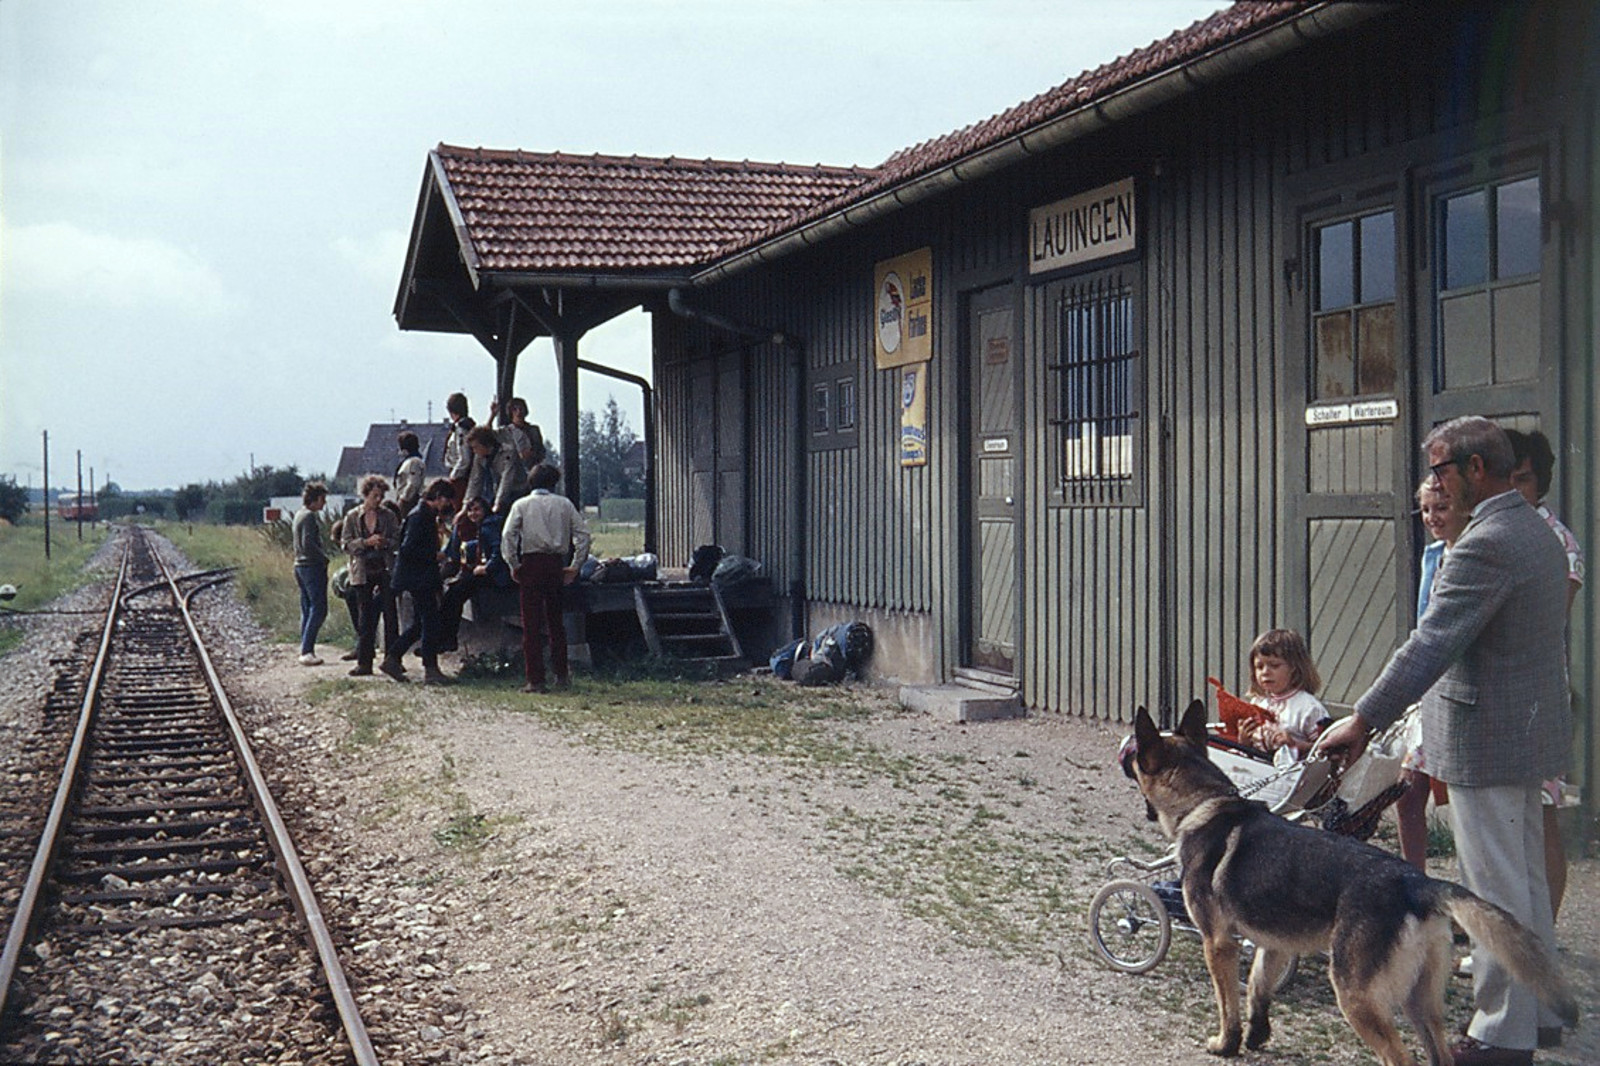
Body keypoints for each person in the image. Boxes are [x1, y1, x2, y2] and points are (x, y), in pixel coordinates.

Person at [1315, 416, 1570, 1066]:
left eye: (1440, 470)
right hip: (1525, 728)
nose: (1432, 483)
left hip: (1487, 735)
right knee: (1526, 884)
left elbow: (1431, 643)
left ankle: (1500, 1032)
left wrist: (1363, 718)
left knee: (1494, 889)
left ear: (1476, 471)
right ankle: (1535, 1012)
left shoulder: (1485, 543)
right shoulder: (1535, 529)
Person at [1506, 428, 1585, 920]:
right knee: (1502, 825)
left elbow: (1549, 617)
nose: (1516, 490)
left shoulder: (1555, 539)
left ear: (1541, 482)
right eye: (1507, 479)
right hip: (1497, 696)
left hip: (1536, 693)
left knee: (1542, 813)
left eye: (1525, 479)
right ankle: (1508, 930)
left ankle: (1544, 931)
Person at [1394, 477, 1472, 871]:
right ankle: (1415, 879)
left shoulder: (1472, 556)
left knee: (1464, 803)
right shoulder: (1434, 556)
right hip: (1428, 689)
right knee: (1408, 792)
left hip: (1458, 691)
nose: (1431, 518)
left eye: (1440, 508)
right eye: (1425, 510)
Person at [501, 463, 591, 694]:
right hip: (555, 564)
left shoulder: (521, 505)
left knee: (530, 624)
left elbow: (508, 535)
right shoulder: (564, 504)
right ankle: (561, 675)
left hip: (531, 562)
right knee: (555, 622)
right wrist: (575, 566)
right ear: (554, 482)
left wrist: (514, 563)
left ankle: (535, 679)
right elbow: (583, 535)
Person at [387, 478, 455, 685]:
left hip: (418, 576)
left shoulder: (420, 514)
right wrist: (434, 556)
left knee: (420, 623)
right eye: (447, 500)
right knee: (430, 621)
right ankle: (430, 668)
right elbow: (408, 549)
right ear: (439, 497)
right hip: (419, 578)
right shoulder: (420, 517)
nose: (448, 505)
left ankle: (393, 657)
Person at [1236, 628, 1328, 768]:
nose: (1265, 672)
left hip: (1295, 780)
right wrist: (1244, 741)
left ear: (1294, 667)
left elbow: (1326, 749)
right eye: (1259, 667)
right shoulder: (1257, 703)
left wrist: (1295, 745)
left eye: (1274, 665)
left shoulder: (1308, 707)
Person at [341, 475, 402, 678]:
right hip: (362, 571)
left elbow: (397, 539)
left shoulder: (388, 516)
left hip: (384, 568)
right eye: (375, 496)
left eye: (381, 496)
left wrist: (385, 542)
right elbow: (345, 544)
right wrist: (365, 543)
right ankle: (364, 662)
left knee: (391, 616)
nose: (378, 500)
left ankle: (393, 659)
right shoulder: (352, 517)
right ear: (365, 495)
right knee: (365, 617)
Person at [439, 496, 512, 653]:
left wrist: (487, 568)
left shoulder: (490, 526)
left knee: (456, 593)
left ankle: (447, 639)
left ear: (486, 510)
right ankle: (446, 638)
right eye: (470, 510)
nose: (473, 514)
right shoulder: (483, 526)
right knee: (453, 592)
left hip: (497, 576)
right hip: (489, 573)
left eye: (477, 510)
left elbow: (498, 551)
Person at [292, 481, 330, 666]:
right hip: (311, 566)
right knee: (319, 608)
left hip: (299, 565)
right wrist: (323, 557)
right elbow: (308, 543)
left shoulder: (299, 514)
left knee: (307, 608)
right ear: (314, 499)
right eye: (322, 499)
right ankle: (307, 650)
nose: (324, 503)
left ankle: (305, 646)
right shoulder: (309, 517)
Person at [464, 424, 530, 517]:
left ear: (485, 444)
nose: (474, 451)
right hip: (496, 492)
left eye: (476, 447)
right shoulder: (479, 457)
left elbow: (507, 479)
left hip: (517, 490)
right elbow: (475, 480)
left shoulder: (508, 452)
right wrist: (466, 505)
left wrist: (498, 503)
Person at [443, 392, 475, 508]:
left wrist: (454, 476)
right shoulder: (466, 427)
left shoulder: (461, 429)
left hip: (460, 478)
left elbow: (464, 458)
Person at [496, 396, 546, 469]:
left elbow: (541, 451)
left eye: (521, 408)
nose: (518, 411)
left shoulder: (534, 430)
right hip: (512, 470)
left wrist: (532, 454)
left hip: (532, 468)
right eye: (515, 409)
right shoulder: (505, 431)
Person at [394, 430, 425, 517]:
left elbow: (413, 483)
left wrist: (403, 499)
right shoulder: (409, 461)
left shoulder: (414, 462)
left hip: (409, 503)